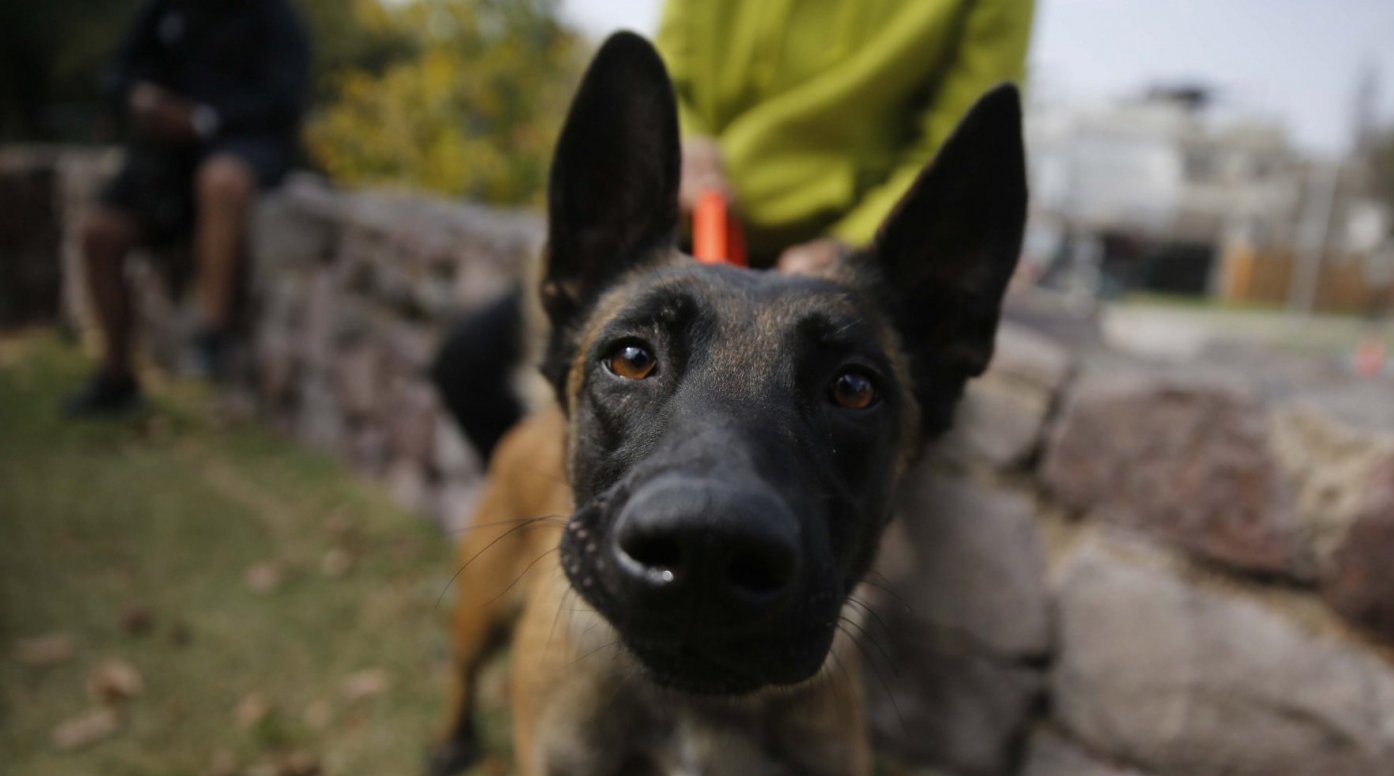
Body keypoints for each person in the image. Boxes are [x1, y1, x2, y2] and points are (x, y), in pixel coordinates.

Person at [432, 0, 1035, 463]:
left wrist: (851, 245)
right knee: (468, 368)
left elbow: (953, 140)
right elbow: (674, 62)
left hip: (833, 261)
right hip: (696, 225)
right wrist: (688, 144)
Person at [65, 0, 309, 417]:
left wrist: (203, 120)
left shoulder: (273, 16)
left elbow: (286, 100)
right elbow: (120, 71)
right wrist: (138, 98)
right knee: (97, 232)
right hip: (164, 162)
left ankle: (211, 338)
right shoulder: (165, 10)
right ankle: (116, 378)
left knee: (221, 181)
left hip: (242, 146)